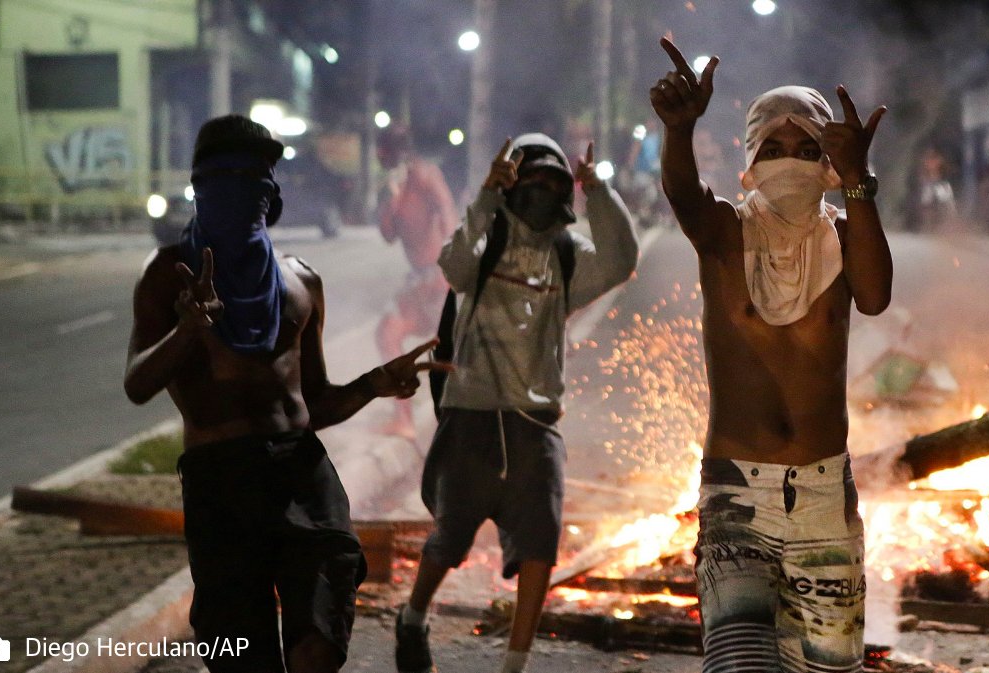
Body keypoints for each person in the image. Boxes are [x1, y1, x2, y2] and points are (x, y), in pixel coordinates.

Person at [123, 114, 450, 673]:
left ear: (271, 194)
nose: (245, 192)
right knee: (240, 651)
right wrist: (188, 332)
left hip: (303, 475)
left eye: (257, 180)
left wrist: (374, 384)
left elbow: (311, 403)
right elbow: (137, 384)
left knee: (319, 641)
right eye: (228, 179)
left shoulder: (300, 280)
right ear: (202, 187)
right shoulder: (168, 276)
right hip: (221, 480)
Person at [650, 38, 892, 673]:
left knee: (830, 668)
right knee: (742, 665)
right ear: (751, 159)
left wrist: (860, 182)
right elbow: (682, 194)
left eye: (809, 150)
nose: (791, 162)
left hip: (824, 497)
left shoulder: (843, 237)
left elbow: (874, 296)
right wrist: (679, 131)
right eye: (774, 149)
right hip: (736, 498)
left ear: (830, 165)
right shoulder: (727, 232)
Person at [394, 133, 639, 673]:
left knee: (539, 544)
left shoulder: (569, 259)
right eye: (530, 179)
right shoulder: (487, 245)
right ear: (511, 186)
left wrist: (597, 187)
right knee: (450, 538)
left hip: (536, 422)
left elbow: (622, 260)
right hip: (473, 416)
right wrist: (485, 199)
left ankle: (514, 665)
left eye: (554, 182)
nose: (541, 190)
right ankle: (411, 619)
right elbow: (453, 265)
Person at [375, 124, 459, 438]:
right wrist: (391, 205)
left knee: (453, 354)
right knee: (388, 334)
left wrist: (448, 267)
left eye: (382, 152)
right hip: (419, 281)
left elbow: (448, 212)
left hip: (439, 277)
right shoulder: (395, 189)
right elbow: (388, 235)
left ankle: (473, 428)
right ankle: (405, 420)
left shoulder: (424, 175)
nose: (380, 158)